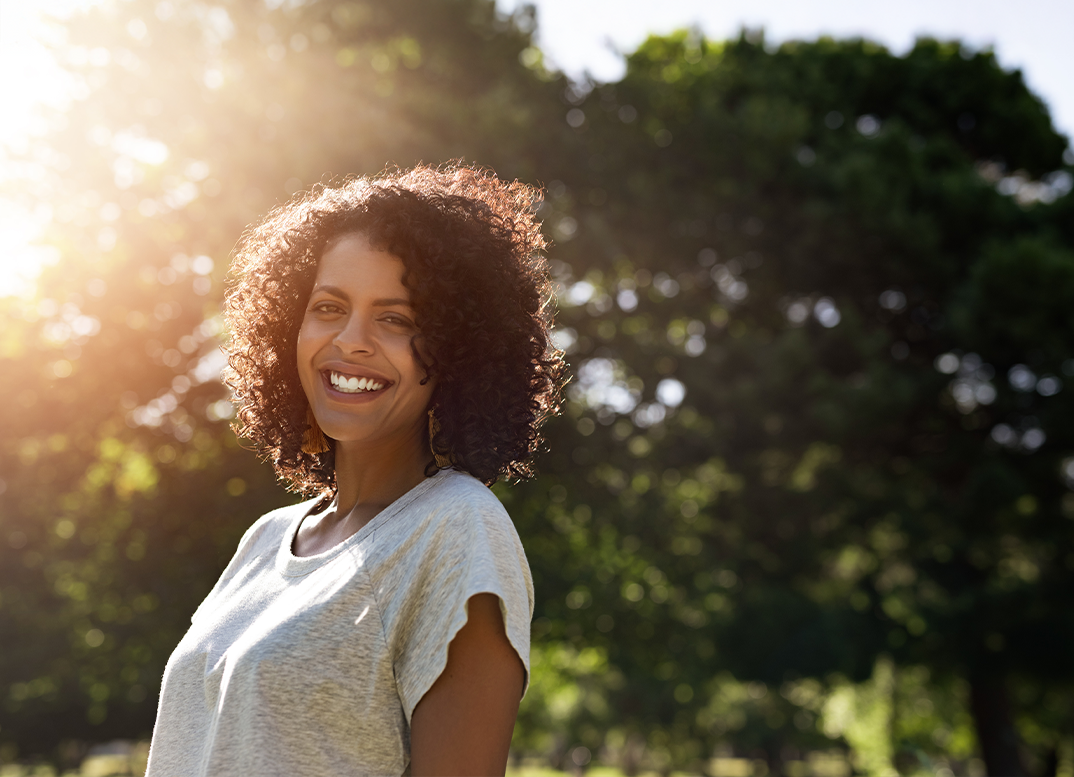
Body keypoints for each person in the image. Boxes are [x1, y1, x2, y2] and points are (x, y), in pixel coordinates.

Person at [145, 164, 567, 776]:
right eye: (328, 307)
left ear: (458, 349)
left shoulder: (458, 531)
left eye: (395, 319)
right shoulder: (265, 540)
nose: (352, 341)